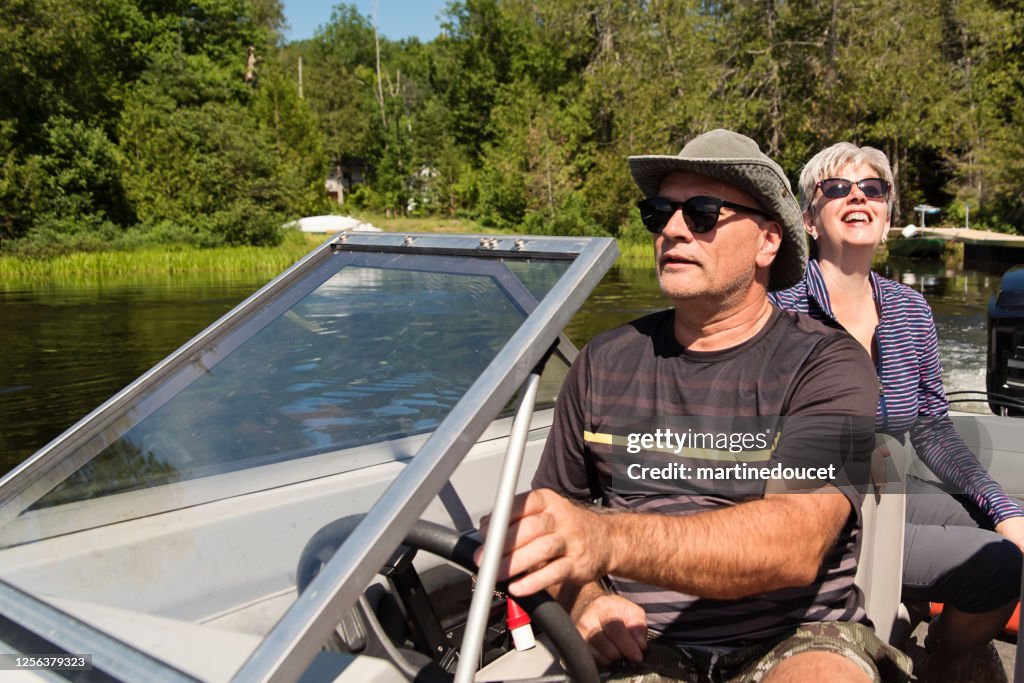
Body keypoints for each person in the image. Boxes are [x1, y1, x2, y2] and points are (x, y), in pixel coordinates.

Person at [480, 130, 912, 682]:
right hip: (647, 644)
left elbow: (794, 544)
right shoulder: (602, 362)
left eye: (703, 213)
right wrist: (587, 600)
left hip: (796, 637)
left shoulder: (828, 364)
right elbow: (554, 521)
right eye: (659, 212)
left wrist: (603, 538)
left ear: (767, 242)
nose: (673, 229)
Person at [769, 141, 1023, 681]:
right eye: (836, 189)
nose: (857, 198)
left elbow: (932, 427)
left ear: (887, 214)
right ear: (810, 220)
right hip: (822, 503)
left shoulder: (909, 308)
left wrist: (1004, 510)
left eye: (873, 189)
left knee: (1005, 531)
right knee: (999, 565)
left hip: (894, 487)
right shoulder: (779, 307)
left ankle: (947, 658)